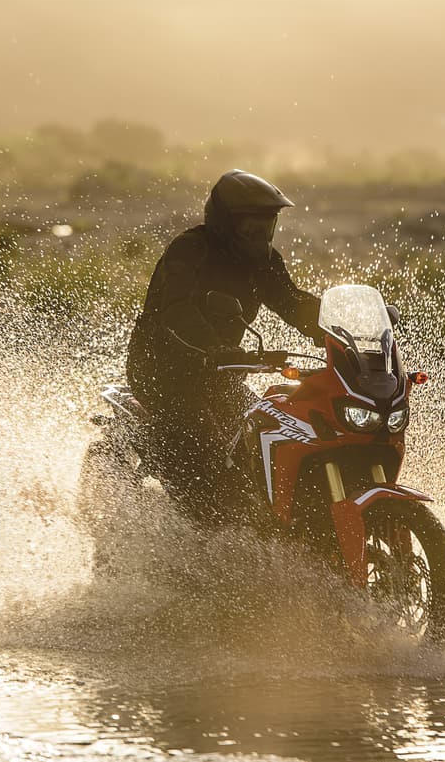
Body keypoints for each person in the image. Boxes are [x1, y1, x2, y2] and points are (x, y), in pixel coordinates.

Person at [126, 169, 321, 523]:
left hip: (219, 374)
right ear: (225, 223)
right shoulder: (191, 250)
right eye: (251, 226)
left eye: (267, 225)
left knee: (267, 431)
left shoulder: (265, 261)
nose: (260, 235)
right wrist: (214, 348)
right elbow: (177, 310)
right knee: (206, 448)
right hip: (161, 371)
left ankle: (267, 520)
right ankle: (200, 526)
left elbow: (293, 304)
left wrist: (342, 328)